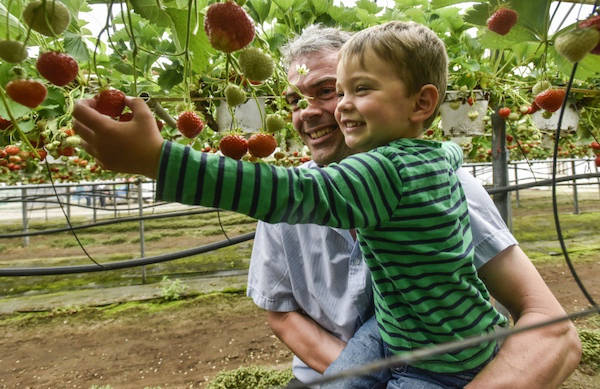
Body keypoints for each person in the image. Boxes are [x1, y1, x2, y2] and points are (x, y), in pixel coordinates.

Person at [71, 24, 582, 389]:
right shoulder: (427, 161)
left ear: (417, 103)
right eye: (297, 99)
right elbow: (279, 310)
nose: (321, 110)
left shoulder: (438, 184)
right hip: (369, 354)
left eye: (336, 90)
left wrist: (161, 161)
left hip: (440, 364)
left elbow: (553, 331)